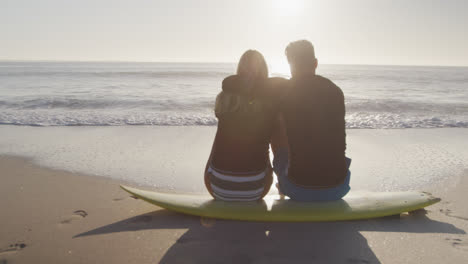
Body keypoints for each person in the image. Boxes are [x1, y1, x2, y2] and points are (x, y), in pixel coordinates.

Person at [271, 40, 351, 201]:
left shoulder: (286, 91)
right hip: (339, 186)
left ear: (290, 64)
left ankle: (282, 184)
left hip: (298, 188)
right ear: (315, 63)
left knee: (276, 124)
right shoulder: (335, 91)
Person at [204, 50, 287, 201]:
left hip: (217, 188)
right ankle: (282, 183)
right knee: (275, 135)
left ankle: (218, 173)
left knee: (220, 138)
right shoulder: (271, 100)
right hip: (255, 190)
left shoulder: (225, 97)